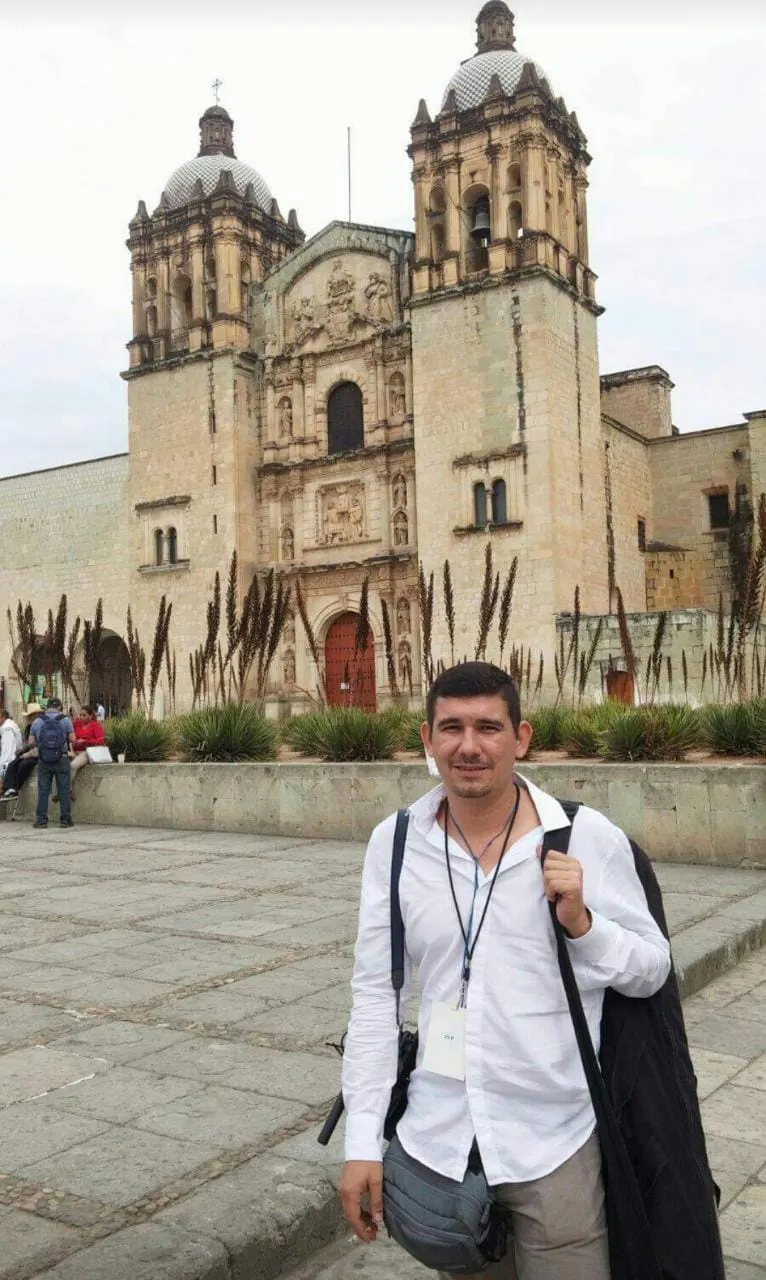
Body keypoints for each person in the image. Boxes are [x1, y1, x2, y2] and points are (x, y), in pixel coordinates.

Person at [339, 662, 671, 1280]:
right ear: (426, 739)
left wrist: (583, 924)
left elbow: (653, 969)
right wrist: (362, 1140)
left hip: (555, 1142)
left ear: (521, 737)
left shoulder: (583, 837)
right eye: (452, 728)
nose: (469, 746)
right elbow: (376, 996)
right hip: (442, 1145)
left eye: (489, 727)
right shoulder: (396, 842)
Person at [28, 698, 76, 829]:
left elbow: (31, 742)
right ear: (59, 707)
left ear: (46, 707)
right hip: (61, 758)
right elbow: (73, 739)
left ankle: (41, 820)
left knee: (43, 790)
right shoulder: (65, 720)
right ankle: (65, 820)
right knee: (64, 789)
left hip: (43, 759)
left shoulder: (38, 721)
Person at [0, 703, 43, 799]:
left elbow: (38, 744)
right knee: (13, 764)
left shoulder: (42, 726)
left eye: (32, 715)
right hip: (30, 752)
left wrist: (26, 753)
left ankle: (16, 788)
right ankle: (8, 787)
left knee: (24, 765)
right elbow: (28, 743)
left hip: (38, 753)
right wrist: (23, 750)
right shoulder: (29, 727)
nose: (30, 717)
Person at [66, 704, 105, 801]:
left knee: (73, 765)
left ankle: (65, 790)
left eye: (84, 715)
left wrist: (85, 741)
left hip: (87, 752)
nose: (81, 717)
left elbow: (100, 741)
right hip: (74, 750)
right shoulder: (76, 724)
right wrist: (74, 742)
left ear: (91, 715)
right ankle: (68, 790)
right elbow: (71, 737)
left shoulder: (95, 725)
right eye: (80, 715)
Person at [0, 709, 22, 782]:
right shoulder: (9, 725)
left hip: (10, 763)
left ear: (3, 717)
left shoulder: (7, 729)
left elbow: (7, 753)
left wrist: (2, 771)